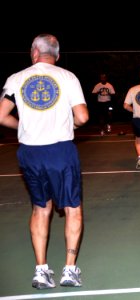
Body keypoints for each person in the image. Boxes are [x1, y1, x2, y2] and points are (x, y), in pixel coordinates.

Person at [0, 34, 89, 288]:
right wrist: (68, 123)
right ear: (57, 55)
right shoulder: (67, 77)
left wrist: (22, 127)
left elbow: (1, 115)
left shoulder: (16, 79)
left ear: (34, 53)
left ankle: (41, 270)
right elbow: (82, 117)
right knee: (73, 208)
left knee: (41, 208)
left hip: (30, 152)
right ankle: (69, 270)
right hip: (60, 151)